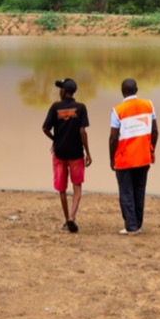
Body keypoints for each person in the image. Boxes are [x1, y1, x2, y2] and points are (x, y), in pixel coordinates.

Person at [108, 77, 158, 235]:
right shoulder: (149, 105)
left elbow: (113, 138)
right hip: (143, 156)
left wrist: (111, 158)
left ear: (122, 92)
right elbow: (155, 131)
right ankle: (138, 223)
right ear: (136, 90)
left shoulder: (118, 111)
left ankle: (131, 226)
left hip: (125, 158)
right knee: (139, 190)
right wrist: (151, 149)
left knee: (126, 191)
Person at [42, 77, 92, 233]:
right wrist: (88, 152)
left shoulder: (55, 107)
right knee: (77, 185)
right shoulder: (81, 108)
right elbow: (82, 131)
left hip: (60, 153)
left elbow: (45, 129)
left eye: (61, 89)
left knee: (62, 189)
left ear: (64, 92)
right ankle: (72, 217)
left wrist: (56, 140)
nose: (60, 91)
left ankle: (66, 220)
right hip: (76, 153)